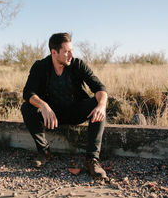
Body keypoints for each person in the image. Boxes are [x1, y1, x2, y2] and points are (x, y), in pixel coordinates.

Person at [21, 32, 108, 179]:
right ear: (54, 52)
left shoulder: (77, 64)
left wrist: (101, 105)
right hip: (52, 115)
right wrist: (44, 106)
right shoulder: (40, 66)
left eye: (71, 51)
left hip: (76, 111)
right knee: (27, 107)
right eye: (66, 52)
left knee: (98, 103)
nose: (71, 55)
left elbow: (100, 88)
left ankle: (91, 160)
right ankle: (44, 152)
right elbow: (28, 92)